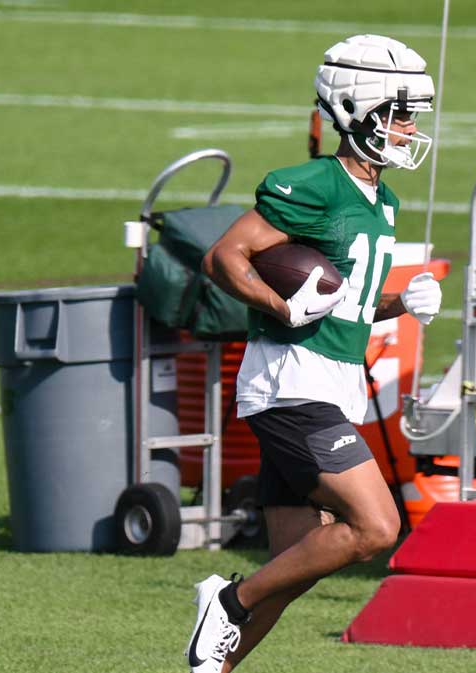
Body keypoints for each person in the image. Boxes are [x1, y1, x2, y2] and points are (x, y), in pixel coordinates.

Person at [184, 34, 443, 673]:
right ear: (358, 111)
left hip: (330, 386)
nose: (411, 129)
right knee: (376, 528)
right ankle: (227, 600)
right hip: (291, 385)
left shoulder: (384, 200)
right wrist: (280, 306)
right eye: (400, 114)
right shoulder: (314, 184)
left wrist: (401, 303)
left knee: (293, 565)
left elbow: (345, 304)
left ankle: (213, 667)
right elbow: (223, 257)